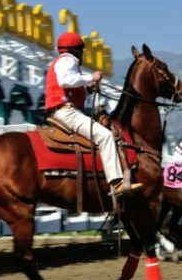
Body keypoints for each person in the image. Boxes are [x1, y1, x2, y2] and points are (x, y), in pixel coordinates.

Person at [44, 31, 143, 196]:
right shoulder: (68, 59)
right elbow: (64, 80)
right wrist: (91, 76)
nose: (81, 54)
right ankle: (116, 182)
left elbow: (70, 87)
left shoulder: (62, 61)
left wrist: (88, 89)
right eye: (81, 50)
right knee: (105, 136)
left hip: (64, 109)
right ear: (75, 50)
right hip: (67, 112)